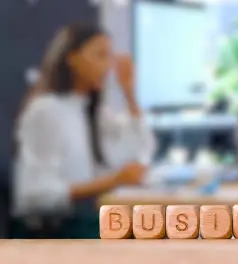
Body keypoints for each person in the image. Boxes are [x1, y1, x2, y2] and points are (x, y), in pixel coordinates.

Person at [11, 25, 156, 238]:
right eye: (100, 55)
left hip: (87, 218)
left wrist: (129, 93)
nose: (108, 66)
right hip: (56, 228)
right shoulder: (46, 111)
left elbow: (139, 150)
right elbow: (34, 194)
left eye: (110, 57)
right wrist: (113, 181)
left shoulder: (92, 110)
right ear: (72, 59)